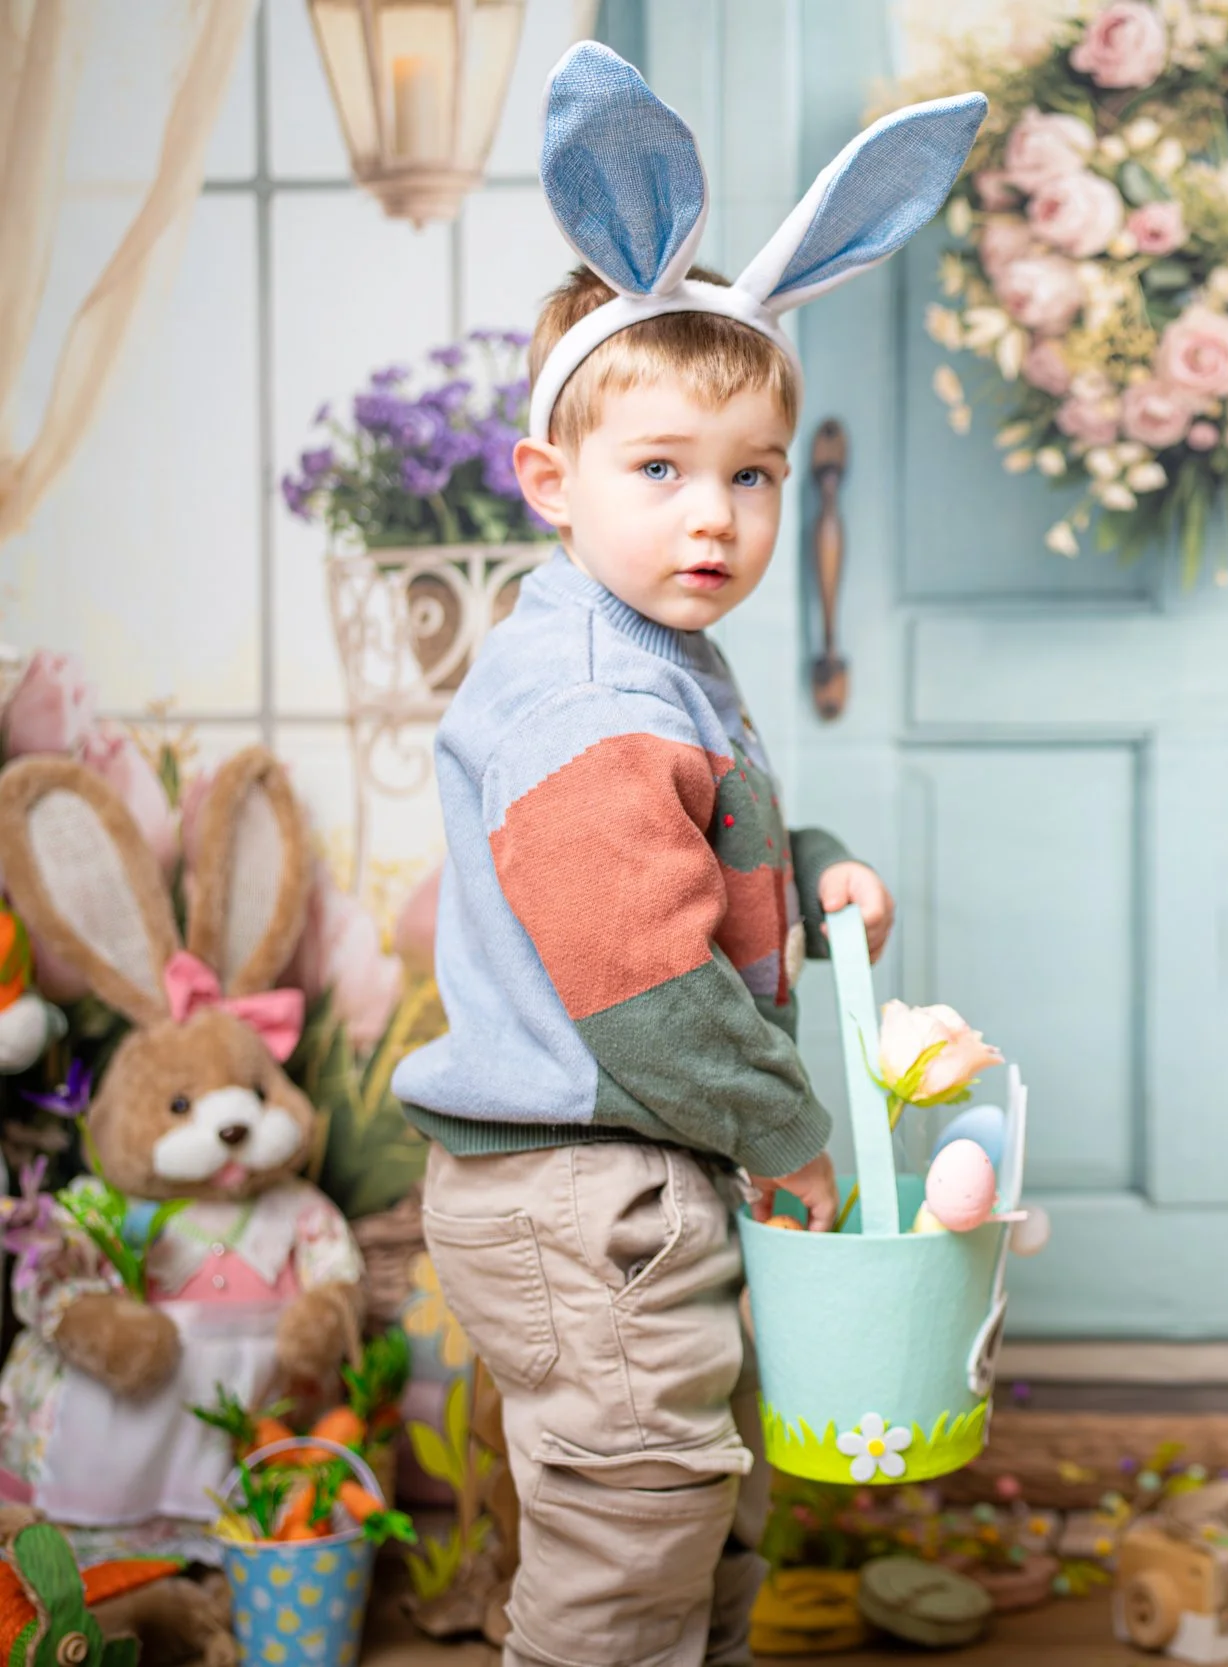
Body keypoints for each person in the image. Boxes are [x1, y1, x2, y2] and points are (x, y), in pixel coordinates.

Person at [392, 43, 982, 1667]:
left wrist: (817, 859)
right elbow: (645, 981)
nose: (711, 516)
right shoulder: (584, 689)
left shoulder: (647, 647)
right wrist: (792, 1132)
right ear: (550, 480)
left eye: (749, 476)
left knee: (694, 1515)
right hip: (591, 1182)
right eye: (658, 470)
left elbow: (685, 847)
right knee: (634, 1519)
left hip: (631, 1177)